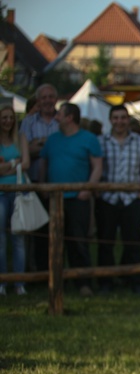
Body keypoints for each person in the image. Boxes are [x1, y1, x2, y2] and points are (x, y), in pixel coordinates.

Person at [39, 103, 103, 297]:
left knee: (78, 242)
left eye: (59, 113)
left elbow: (97, 166)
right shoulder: (52, 140)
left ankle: (83, 283)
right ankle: (53, 283)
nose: (55, 116)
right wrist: (42, 187)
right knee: (52, 243)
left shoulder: (89, 139)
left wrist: (88, 188)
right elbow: (44, 164)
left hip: (77, 198)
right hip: (53, 199)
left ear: (69, 117)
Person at [96, 104, 140, 294]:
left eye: (123, 117)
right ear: (110, 120)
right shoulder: (101, 141)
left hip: (132, 198)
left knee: (133, 243)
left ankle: (136, 282)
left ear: (128, 120)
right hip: (108, 198)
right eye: (116, 118)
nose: (119, 121)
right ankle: (106, 282)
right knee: (106, 243)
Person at [20, 83, 59, 272]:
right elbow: (24, 150)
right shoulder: (29, 122)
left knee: (60, 231)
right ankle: (39, 271)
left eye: (51, 97)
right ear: (38, 100)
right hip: (35, 181)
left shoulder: (63, 120)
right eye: (44, 97)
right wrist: (50, 145)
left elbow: (62, 149)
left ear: (56, 99)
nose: (48, 101)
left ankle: (58, 270)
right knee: (38, 230)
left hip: (60, 183)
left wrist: (39, 144)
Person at [0, 104, 30, 296]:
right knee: (0, 239)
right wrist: (15, 163)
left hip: (19, 193)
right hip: (1, 194)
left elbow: (26, 163)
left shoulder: (21, 138)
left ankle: (19, 283)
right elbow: (19, 162)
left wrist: (6, 167)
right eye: (4, 117)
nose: (8, 121)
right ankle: (2, 282)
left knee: (19, 239)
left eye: (11, 117)